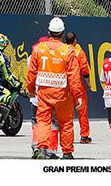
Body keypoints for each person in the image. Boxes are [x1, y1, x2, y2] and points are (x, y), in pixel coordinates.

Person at [27, 17, 84, 160]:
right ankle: (67, 152)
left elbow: (32, 72)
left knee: (43, 121)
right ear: (62, 33)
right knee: (65, 123)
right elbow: (74, 77)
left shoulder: (38, 49)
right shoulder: (69, 51)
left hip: (44, 92)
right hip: (62, 94)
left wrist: (31, 90)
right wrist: (77, 96)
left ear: (49, 32)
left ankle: (41, 148)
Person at [28, 36, 60, 159]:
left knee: (36, 122)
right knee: (52, 123)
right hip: (48, 95)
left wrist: (30, 91)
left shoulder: (31, 58)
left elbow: (30, 76)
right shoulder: (54, 57)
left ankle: (36, 147)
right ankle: (50, 150)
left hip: (35, 96)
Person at [64, 31, 92, 143]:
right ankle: (84, 135)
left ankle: (66, 136)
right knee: (82, 110)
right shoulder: (79, 52)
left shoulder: (62, 51)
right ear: (75, 40)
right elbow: (85, 70)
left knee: (66, 112)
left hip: (64, 85)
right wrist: (88, 84)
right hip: (76, 84)